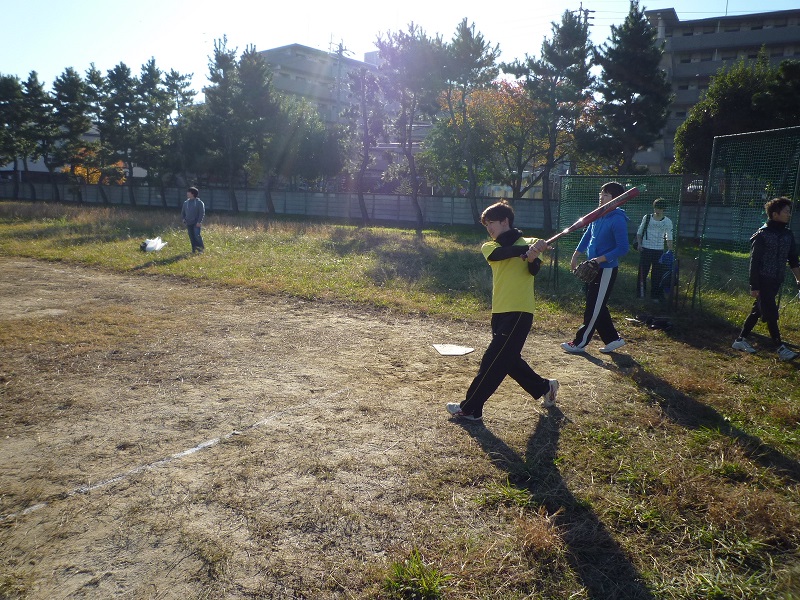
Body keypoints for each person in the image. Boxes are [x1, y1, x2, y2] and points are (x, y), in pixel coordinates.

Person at [446, 200, 558, 422]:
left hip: (520, 311)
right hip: (499, 311)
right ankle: (545, 387)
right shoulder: (490, 246)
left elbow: (533, 270)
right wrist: (526, 251)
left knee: (493, 359)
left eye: (492, 223)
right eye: (486, 224)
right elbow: (502, 254)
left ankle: (471, 408)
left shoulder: (531, 242)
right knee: (508, 359)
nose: (489, 228)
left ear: (505, 221)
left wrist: (533, 255)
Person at [561, 181, 630, 354]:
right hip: (592, 267)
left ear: (617, 199)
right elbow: (588, 235)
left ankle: (579, 343)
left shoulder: (618, 219)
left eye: (606, 195)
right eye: (601, 194)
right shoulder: (599, 214)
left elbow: (623, 248)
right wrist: (576, 255)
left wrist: (599, 260)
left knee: (593, 308)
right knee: (597, 305)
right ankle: (613, 340)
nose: (601, 197)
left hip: (606, 269)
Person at [732, 197, 800, 361]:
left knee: (758, 310)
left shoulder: (787, 235)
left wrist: (799, 279)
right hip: (763, 280)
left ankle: (740, 340)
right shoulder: (762, 235)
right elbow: (754, 262)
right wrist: (754, 285)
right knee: (770, 312)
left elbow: (793, 260)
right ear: (775, 214)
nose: (789, 214)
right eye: (786, 211)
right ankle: (780, 348)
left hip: (776, 280)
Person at [635, 198, 674, 300]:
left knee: (657, 274)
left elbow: (669, 237)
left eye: (660, 208)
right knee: (643, 272)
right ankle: (640, 294)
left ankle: (655, 295)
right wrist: (639, 244)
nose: (658, 210)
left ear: (664, 209)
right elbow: (639, 232)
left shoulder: (667, 221)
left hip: (659, 250)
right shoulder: (647, 217)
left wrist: (670, 250)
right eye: (656, 208)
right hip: (645, 249)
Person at [181, 187, 205, 253]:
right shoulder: (186, 203)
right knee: (191, 236)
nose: (187, 193)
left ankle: (201, 249)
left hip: (196, 223)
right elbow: (183, 212)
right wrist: (183, 219)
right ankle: (194, 249)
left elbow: (202, 213)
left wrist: (199, 222)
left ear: (193, 194)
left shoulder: (199, 203)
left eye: (189, 192)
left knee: (197, 235)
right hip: (188, 223)